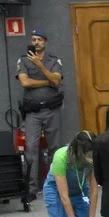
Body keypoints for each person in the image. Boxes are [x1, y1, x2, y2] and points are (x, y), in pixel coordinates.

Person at [16, 29, 64, 200]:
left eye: (39, 40)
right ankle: (31, 189)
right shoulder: (23, 60)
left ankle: (54, 186)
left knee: (55, 149)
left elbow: (57, 80)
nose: (36, 42)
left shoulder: (53, 60)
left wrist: (41, 66)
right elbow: (24, 82)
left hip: (52, 110)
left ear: (45, 42)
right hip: (33, 112)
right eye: (33, 39)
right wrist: (47, 81)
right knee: (31, 149)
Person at [42, 130, 99, 217]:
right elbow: (64, 196)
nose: (91, 159)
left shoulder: (95, 155)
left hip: (80, 189)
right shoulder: (61, 156)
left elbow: (94, 190)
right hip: (56, 191)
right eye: (88, 156)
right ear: (79, 151)